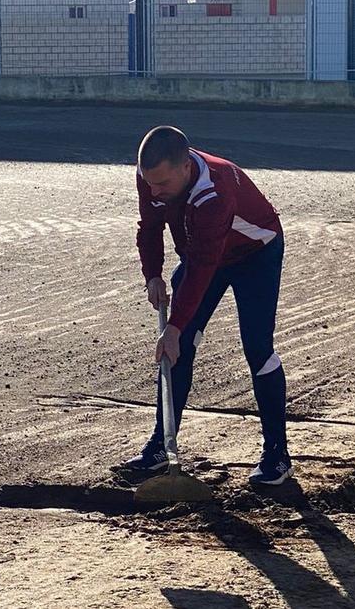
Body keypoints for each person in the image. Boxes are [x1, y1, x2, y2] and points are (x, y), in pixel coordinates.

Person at [123, 126, 292, 485]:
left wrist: (174, 325)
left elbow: (201, 266)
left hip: (254, 253)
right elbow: (149, 227)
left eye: (162, 184)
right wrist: (152, 274)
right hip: (206, 253)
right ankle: (160, 447)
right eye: (149, 183)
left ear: (186, 168)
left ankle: (277, 455)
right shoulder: (152, 175)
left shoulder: (214, 192)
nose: (155, 191)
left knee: (258, 348)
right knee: (178, 347)